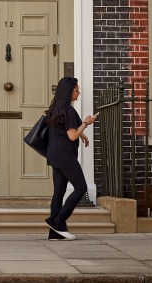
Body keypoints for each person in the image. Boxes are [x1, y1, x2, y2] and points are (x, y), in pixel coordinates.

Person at [44, 76, 99, 240]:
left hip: (54, 153)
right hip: (65, 155)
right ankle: (58, 220)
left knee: (59, 193)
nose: (79, 92)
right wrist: (87, 123)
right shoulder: (69, 110)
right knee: (81, 188)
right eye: (76, 89)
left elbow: (64, 131)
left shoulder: (55, 108)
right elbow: (72, 135)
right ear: (68, 91)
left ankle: (55, 233)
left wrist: (82, 134)